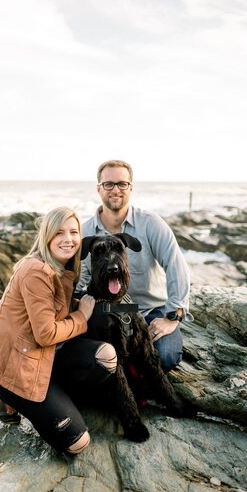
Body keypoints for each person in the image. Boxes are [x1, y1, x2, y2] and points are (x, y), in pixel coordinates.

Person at [0, 207, 117, 454]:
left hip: (45, 358)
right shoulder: (36, 271)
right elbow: (46, 333)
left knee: (106, 358)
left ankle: (56, 398)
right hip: (17, 369)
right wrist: (81, 316)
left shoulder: (63, 269)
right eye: (59, 233)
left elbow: (54, 311)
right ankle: (11, 400)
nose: (68, 239)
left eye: (74, 232)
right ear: (47, 236)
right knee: (77, 444)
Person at [78, 160, 191, 373]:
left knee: (165, 357)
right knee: (100, 361)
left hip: (150, 311)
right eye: (108, 184)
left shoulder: (150, 223)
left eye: (122, 184)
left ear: (131, 187)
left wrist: (171, 317)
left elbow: (177, 266)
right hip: (107, 313)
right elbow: (80, 278)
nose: (115, 190)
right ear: (99, 188)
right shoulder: (85, 232)